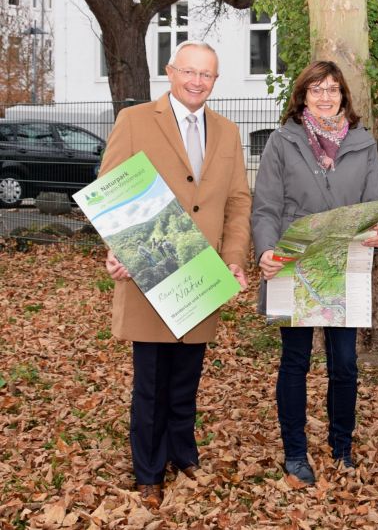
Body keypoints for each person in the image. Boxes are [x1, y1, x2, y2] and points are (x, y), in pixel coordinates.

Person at [102, 41, 251, 508]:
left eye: (206, 75)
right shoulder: (135, 121)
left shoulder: (227, 132)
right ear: (171, 72)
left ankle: (182, 451)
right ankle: (148, 469)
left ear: (215, 80)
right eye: (189, 71)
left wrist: (233, 257)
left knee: (187, 376)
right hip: (149, 271)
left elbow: (238, 202)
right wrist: (115, 249)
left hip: (201, 275)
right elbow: (109, 189)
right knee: (151, 382)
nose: (197, 81)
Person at [251, 60, 378, 486]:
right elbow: (267, 206)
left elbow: (377, 201)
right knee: (294, 362)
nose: (326, 97)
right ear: (303, 96)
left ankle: (341, 446)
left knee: (345, 363)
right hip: (295, 262)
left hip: (344, 264)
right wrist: (266, 250)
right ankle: (295, 451)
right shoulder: (282, 141)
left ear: (344, 95)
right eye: (317, 90)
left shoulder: (363, 144)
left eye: (333, 89)